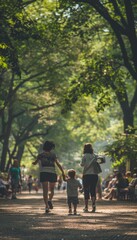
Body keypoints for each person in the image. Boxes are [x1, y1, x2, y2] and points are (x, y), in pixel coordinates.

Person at [32, 140, 65, 213]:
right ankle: (49, 200)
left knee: (45, 191)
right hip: (52, 173)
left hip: (44, 173)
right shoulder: (53, 155)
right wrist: (62, 172)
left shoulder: (40, 155)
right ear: (51, 148)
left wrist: (34, 163)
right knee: (52, 190)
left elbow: (35, 162)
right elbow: (58, 164)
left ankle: (46, 206)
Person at [81, 143, 101, 213]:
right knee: (93, 190)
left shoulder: (84, 156)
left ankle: (86, 207)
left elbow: (82, 164)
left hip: (86, 175)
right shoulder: (95, 156)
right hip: (94, 175)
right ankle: (93, 205)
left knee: (86, 190)